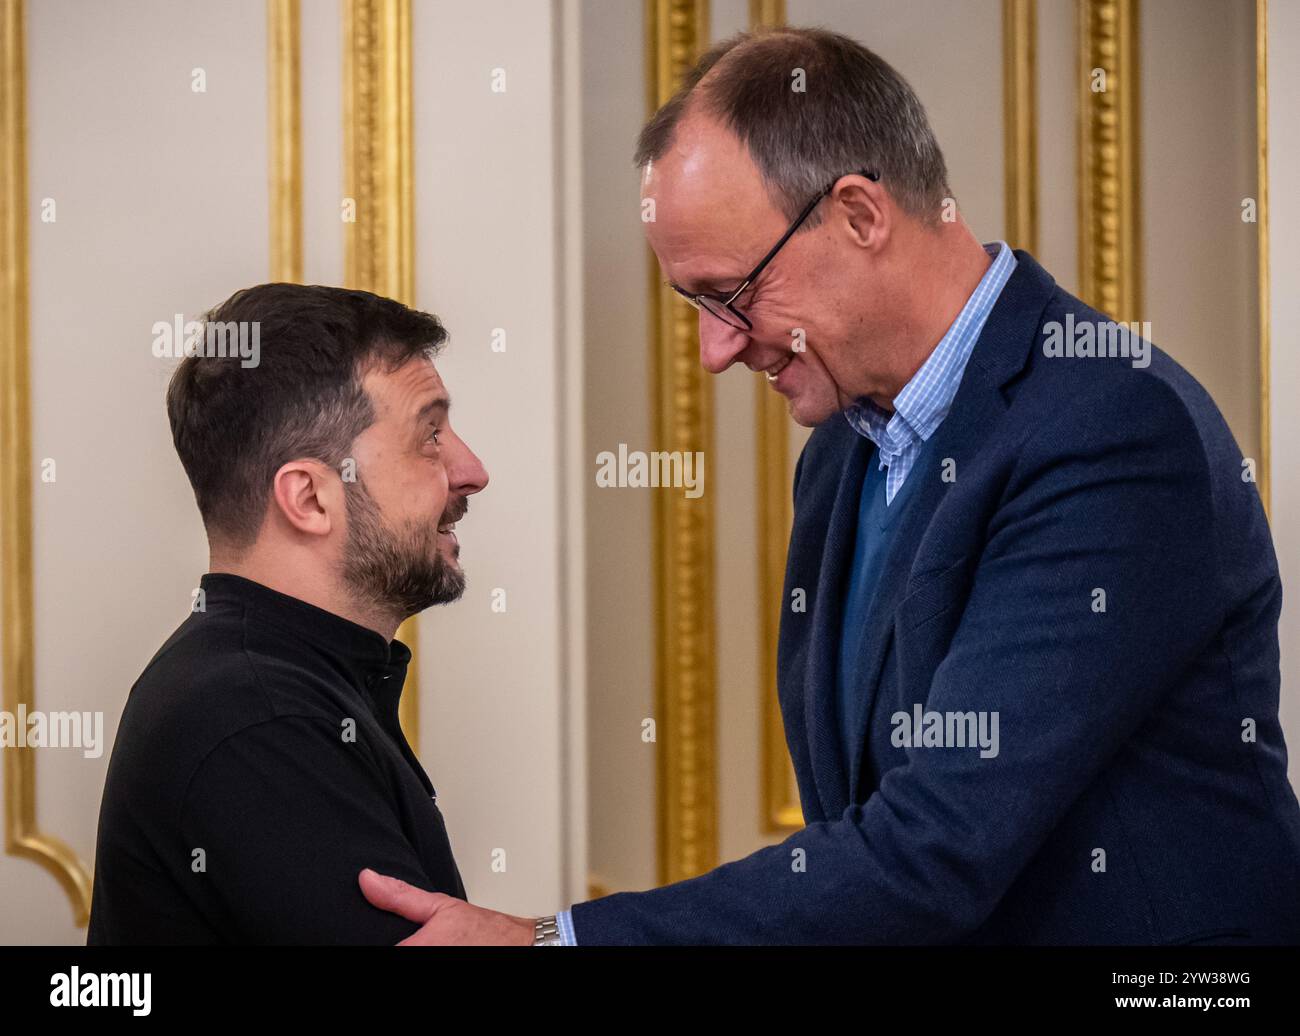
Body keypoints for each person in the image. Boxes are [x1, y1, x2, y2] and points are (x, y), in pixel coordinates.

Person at [361, 26, 1300, 945]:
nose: (716, 350)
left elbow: (935, 850)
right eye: (696, 306)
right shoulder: (842, 450)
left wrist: (552, 942)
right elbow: (854, 826)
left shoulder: (1111, 431)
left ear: (859, 213)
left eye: (731, 295)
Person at [88, 284, 488, 944]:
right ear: (308, 497)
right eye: (431, 436)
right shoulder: (262, 717)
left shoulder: (276, 682)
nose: (471, 470)